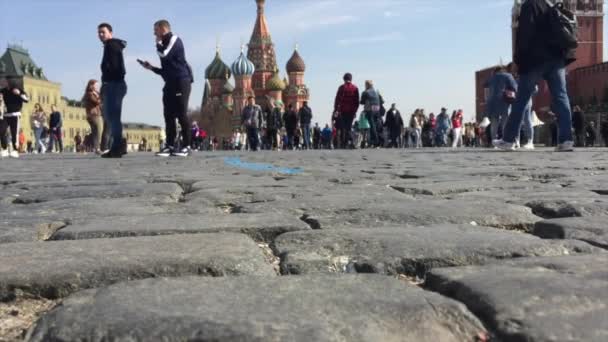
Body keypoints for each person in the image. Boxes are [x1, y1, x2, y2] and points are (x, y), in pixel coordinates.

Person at [495, 0, 576, 151]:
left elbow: (525, 35)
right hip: (556, 58)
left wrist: (518, 60)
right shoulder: (552, 4)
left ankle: (508, 140)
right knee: (561, 97)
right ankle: (566, 140)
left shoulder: (530, 5)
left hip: (535, 60)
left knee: (521, 100)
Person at [139, 20, 193, 157]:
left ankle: (187, 146)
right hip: (169, 83)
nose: (153, 33)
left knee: (181, 114)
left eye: (155, 30)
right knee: (168, 115)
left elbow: (164, 54)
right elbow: (165, 70)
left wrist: (157, 43)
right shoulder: (164, 44)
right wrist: (151, 68)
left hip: (181, 81)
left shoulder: (174, 39)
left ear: (163, 29)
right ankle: (169, 146)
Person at [98, 22, 127, 158]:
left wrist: (109, 81)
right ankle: (120, 144)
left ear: (111, 33)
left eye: (103, 32)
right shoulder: (111, 46)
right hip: (114, 84)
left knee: (111, 116)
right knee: (112, 117)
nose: (100, 35)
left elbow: (116, 67)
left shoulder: (111, 45)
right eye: (99, 32)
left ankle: (117, 146)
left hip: (114, 84)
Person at [484, 65, 518, 141]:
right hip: (504, 101)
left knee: (494, 122)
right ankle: (505, 140)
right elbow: (515, 87)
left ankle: (494, 141)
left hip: (492, 103)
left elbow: (485, 86)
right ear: (503, 70)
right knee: (505, 122)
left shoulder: (491, 78)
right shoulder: (508, 76)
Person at [0, 78, 29, 158]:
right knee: (1, 131)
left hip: (15, 114)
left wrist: (19, 94)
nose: (1, 83)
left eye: (3, 81)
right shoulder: (3, 90)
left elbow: (27, 100)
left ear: (8, 82)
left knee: (14, 133)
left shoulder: (17, 89)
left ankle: (15, 150)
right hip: (6, 115)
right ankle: (5, 149)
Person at [333, 73, 360, 149]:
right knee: (348, 127)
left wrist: (336, 109)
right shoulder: (355, 88)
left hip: (343, 110)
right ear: (351, 79)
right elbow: (357, 101)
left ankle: (343, 143)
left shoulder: (341, 88)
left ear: (344, 79)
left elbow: (337, 99)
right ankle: (347, 142)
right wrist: (355, 111)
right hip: (351, 111)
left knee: (342, 127)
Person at [82, 79, 103, 154]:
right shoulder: (90, 93)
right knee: (98, 132)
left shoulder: (94, 93)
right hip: (94, 115)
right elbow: (97, 102)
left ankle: (89, 146)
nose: (97, 86)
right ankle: (96, 148)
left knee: (95, 132)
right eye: (96, 85)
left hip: (93, 115)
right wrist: (100, 97)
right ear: (91, 85)